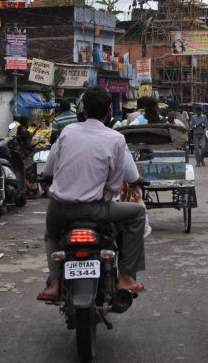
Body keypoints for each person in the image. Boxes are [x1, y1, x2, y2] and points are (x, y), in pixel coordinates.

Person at [37, 87, 147, 301]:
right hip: (94, 209)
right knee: (137, 213)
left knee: (51, 234)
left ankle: (55, 282)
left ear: (83, 110)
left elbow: (53, 167)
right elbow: (115, 184)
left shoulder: (67, 132)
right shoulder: (115, 138)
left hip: (59, 208)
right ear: (109, 111)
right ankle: (125, 276)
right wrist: (105, 204)